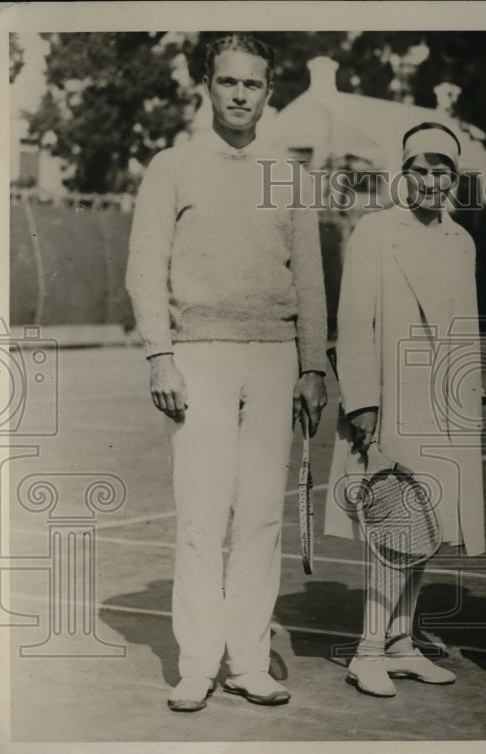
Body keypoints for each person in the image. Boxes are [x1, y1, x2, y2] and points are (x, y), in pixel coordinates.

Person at [126, 34, 328, 712]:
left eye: (253, 85)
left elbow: (310, 280)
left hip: (273, 360)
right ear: (207, 88)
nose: (240, 95)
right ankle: (197, 663)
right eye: (228, 82)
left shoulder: (290, 176)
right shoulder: (172, 165)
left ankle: (247, 660)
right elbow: (145, 266)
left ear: (269, 94)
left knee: (262, 516)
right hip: (199, 359)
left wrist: (312, 365)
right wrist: (160, 353)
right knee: (202, 516)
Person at [324, 122, 485, 697]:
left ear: (455, 178)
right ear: (405, 173)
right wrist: (363, 403)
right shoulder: (374, 231)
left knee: (429, 527)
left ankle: (400, 642)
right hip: (392, 402)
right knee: (395, 526)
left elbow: (463, 331)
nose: (433, 180)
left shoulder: (462, 240)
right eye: (422, 168)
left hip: (446, 408)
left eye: (444, 170)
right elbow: (354, 324)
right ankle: (367, 650)